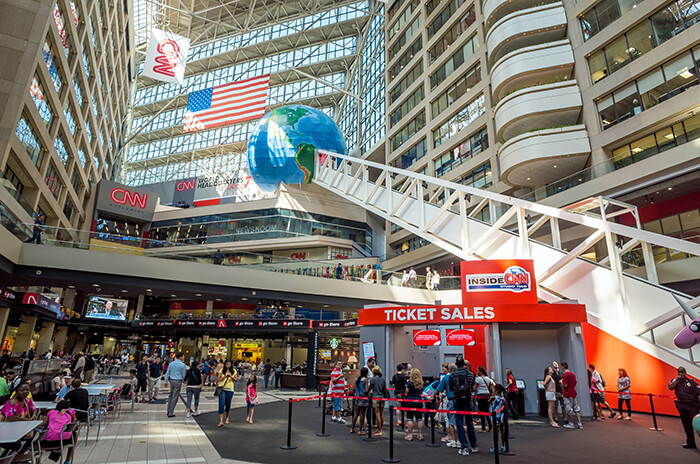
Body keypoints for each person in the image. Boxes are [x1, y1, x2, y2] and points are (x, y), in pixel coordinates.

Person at [450, 357, 478, 455]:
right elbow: (472, 385)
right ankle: (474, 445)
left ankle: (464, 447)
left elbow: (451, 387)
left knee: (459, 423)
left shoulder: (453, 374)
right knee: (469, 422)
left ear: (456, 364)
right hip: (467, 400)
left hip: (457, 400)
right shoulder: (470, 374)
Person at [668, 366, 700, 449]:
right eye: (679, 372)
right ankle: (691, 443)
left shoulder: (691, 382)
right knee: (686, 425)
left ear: (685, 372)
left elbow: (698, 394)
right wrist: (677, 379)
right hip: (682, 405)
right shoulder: (675, 381)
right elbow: (670, 387)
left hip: (692, 406)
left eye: (682, 372)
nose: (681, 374)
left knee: (698, 425)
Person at [41, 400, 77, 464]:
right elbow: (75, 426)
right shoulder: (70, 412)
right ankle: (68, 460)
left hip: (49, 441)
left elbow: (44, 425)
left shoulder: (51, 412)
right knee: (74, 435)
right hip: (64, 440)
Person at [436, 363, 458, 447]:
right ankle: (459, 440)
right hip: (460, 400)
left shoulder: (446, 378)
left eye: (444, 368)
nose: (443, 370)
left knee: (449, 420)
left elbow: (439, 389)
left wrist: (433, 396)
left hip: (450, 400)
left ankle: (451, 438)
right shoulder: (458, 376)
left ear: (449, 369)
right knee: (458, 420)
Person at [163, 352, 186, 418]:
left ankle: (168, 410)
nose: (184, 357)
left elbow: (167, 373)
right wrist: (184, 381)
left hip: (171, 380)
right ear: (180, 357)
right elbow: (183, 375)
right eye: (183, 356)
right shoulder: (182, 365)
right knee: (175, 396)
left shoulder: (171, 364)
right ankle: (170, 412)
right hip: (178, 381)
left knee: (171, 395)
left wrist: (165, 381)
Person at [561, 362, 583, 429]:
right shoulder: (573, 374)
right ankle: (579, 423)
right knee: (576, 408)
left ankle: (571, 423)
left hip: (567, 394)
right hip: (573, 394)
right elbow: (575, 383)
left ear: (563, 367)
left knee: (569, 409)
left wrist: (561, 382)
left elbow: (565, 385)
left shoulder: (565, 375)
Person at [404, 368, 424, 441]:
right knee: (419, 419)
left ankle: (410, 435)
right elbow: (422, 392)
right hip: (418, 401)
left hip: (410, 401)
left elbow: (406, 391)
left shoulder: (410, 382)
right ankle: (420, 435)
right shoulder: (421, 382)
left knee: (410, 418)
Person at [217, 360, 237, 427]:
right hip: (222, 388)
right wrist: (225, 376)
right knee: (221, 403)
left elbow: (235, 379)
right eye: (227, 364)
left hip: (230, 389)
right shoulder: (222, 370)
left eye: (229, 364)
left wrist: (231, 376)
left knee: (228, 404)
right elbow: (218, 379)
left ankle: (227, 417)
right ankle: (221, 421)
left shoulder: (234, 370)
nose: (228, 366)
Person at [369, 366, 389, 436]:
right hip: (382, 397)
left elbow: (370, 388)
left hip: (375, 397)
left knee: (377, 414)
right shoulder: (382, 379)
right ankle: (380, 428)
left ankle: (379, 430)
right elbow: (384, 388)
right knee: (382, 413)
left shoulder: (373, 379)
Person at [350, 367, 370, 434]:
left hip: (357, 397)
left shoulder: (357, 379)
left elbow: (355, 389)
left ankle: (352, 428)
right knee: (362, 414)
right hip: (363, 398)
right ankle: (360, 430)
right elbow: (366, 390)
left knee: (356, 413)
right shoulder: (365, 380)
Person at [474, 366, 494, 432]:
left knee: (482, 412)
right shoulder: (488, 378)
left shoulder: (478, 379)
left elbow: (475, 388)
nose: (476, 372)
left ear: (480, 372)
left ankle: (483, 428)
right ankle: (490, 427)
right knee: (487, 411)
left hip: (480, 395)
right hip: (487, 395)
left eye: (477, 371)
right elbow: (491, 387)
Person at [489, 384, 507, 454]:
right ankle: (503, 446)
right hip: (501, 416)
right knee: (502, 431)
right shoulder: (503, 399)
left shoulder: (494, 398)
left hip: (495, 417)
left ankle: (495, 447)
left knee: (496, 432)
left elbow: (488, 402)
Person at [390, 363, 408, 428]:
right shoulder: (403, 376)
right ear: (402, 369)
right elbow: (406, 385)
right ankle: (406, 422)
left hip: (396, 392)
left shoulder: (394, 376)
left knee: (398, 407)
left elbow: (393, 384)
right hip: (402, 393)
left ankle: (399, 420)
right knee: (405, 408)